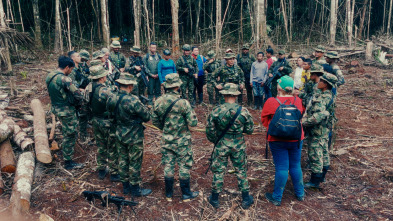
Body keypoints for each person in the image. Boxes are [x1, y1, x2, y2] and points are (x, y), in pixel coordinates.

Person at [206, 83, 254, 209]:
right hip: (238, 144)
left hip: (222, 144)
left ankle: (215, 199)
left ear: (225, 95)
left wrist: (216, 140)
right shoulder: (244, 111)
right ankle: (246, 199)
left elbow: (210, 130)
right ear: (236, 95)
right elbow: (250, 130)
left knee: (219, 171)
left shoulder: (216, 110)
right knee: (241, 170)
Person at [151, 73, 199, 202]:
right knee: (184, 165)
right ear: (177, 86)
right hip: (182, 140)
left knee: (168, 165)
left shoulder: (158, 101)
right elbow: (193, 122)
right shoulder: (183, 103)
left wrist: (166, 128)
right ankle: (186, 194)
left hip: (167, 139)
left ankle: (168, 194)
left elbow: (155, 121)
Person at [261, 75, 305, 206]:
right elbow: (300, 115)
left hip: (277, 139)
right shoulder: (298, 100)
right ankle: (300, 194)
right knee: (295, 165)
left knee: (281, 167)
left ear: (279, 87)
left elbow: (264, 120)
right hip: (296, 138)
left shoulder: (271, 101)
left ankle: (277, 198)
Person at [106, 73, 152, 196]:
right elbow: (147, 117)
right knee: (135, 161)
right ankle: (135, 189)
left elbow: (110, 114)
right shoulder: (133, 100)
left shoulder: (111, 98)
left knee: (122, 160)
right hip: (133, 135)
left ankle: (125, 186)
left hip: (119, 133)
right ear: (130, 86)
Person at [46, 56, 84, 170]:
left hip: (56, 108)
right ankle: (68, 161)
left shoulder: (50, 75)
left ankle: (65, 151)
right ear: (67, 67)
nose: (71, 71)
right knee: (71, 134)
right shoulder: (64, 79)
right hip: (66, 110)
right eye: (71, 69)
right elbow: (77, 94)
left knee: (67, 131)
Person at [302, 73, 338, 189]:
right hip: (325, 129)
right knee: (324, 152)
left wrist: (303, 123)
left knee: (315, 154)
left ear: (326, 84)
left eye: (321, 81)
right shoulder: (329, 95)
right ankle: (322, 176)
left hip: (317, 130)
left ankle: (314, 182)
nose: (319, 82)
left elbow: (318, 116)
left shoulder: (323, 98)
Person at [85, 65, 119, 182]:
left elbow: (85, 104)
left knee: (101, 146)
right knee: (112, 147)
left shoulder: (88, 87)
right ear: (101, 77)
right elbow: (114, 105)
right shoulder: (105, 90)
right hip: (107, 122)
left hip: (95, 120)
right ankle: (114, 173)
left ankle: (101, 169)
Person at [68, 51, 90, 143]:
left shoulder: (79, 67)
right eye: (78, 56)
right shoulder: (72, 71)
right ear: (73, 59)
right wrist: (79, 89)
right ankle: (82, 137)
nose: (80, 57)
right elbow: (70, 84)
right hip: (77, 96)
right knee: (81, 116)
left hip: (82, 94)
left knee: (84, 116)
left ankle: (83, 132)